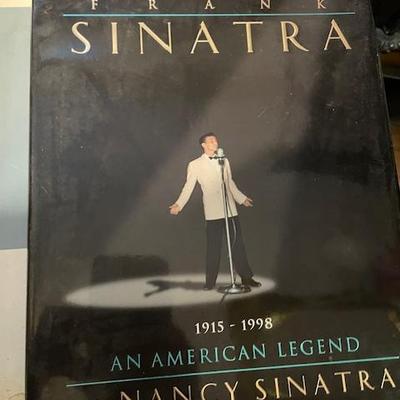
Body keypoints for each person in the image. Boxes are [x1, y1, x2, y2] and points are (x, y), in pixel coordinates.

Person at [169, 132, 261, 290]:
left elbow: (229, 182)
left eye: (216, 140)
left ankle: (246, 278)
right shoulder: (195, 164)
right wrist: (179, 204)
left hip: (230, 210)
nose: (215, 142)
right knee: (213, 248)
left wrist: (241, 198)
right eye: (211, 141)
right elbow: (188, 186)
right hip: (213, 212)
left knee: (237, 245)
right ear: (203, 145)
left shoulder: (224, 160)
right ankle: (210, 282)